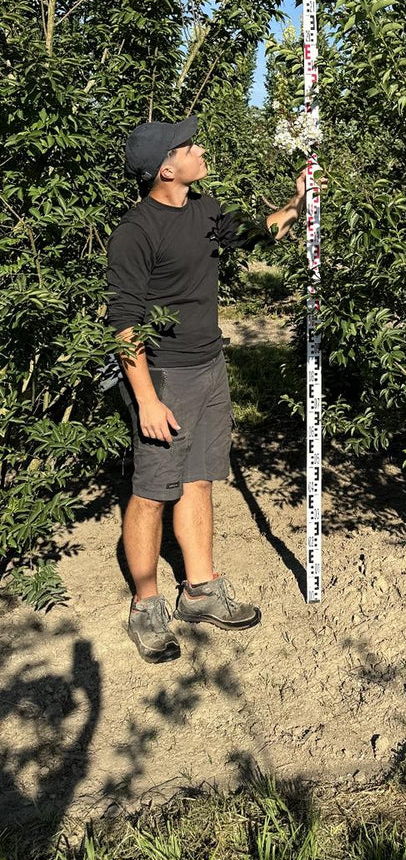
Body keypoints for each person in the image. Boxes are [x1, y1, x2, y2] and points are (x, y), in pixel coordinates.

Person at [106, 115, 313, 664]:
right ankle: (145, 606)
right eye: (189, 146)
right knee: (152, 491)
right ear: (166, 168)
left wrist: (295, 205)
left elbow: (249, 235)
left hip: (209, 366)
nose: (200, 150)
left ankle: (199, 590)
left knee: (199, 479)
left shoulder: (205, 211)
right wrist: (147, 398)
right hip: (165, 376)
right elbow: (124, 322)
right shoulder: (136, 231)